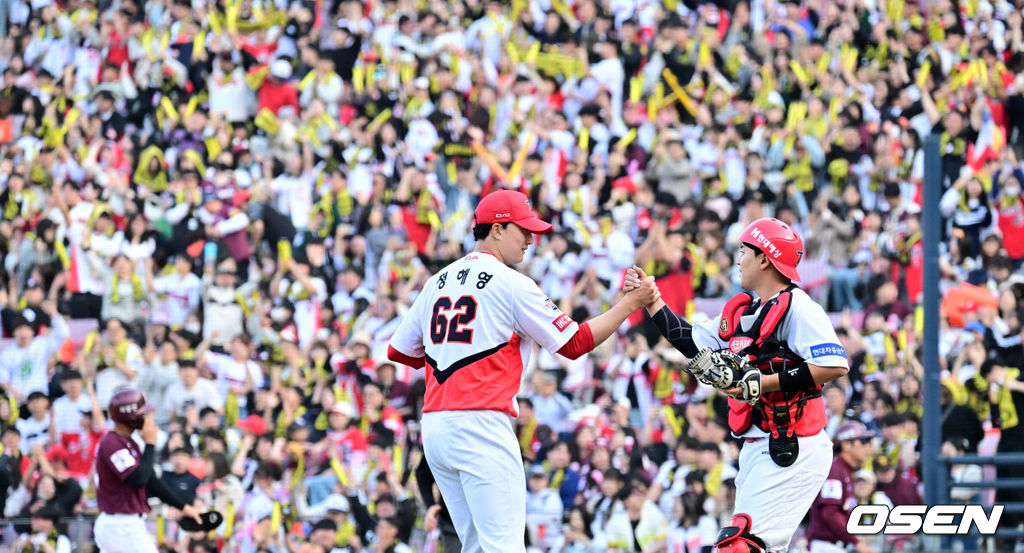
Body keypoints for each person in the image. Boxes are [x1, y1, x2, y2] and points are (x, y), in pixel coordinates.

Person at [387, 189, 658, 553]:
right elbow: (575, 343)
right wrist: (630, 304)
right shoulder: (512, 283)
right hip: (481, 425)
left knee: (474, 547)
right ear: (497, 230)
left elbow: (400, 350)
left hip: (436, 428)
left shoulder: (437, 281)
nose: (531, 239)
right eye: (524, 229)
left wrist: (453, 354)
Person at [626, 218, 850, 553]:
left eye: (743, 250)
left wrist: (764, 382)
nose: (737, 259)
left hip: (792, 443)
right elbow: (691, 341)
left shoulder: (799, 306)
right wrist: (653, 301)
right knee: (754, 546)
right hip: (758, 444)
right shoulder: (745, 309)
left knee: (739, 546)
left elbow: (834, 365)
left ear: (765, 258)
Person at [93, 388, 202, 553]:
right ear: (130, 418)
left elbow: (151, 481)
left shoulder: (129, 442)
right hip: (120, 525)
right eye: (142, 414)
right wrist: (151, 444)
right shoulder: (112, 443)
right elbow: (138, 480)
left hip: (124, 524)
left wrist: (184, 507)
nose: (147, 418)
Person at [804, 422, 877, 553]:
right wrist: (857, 542)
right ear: (846, 444)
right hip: (826, 546)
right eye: (864, 441)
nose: (868, 447)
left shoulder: (845, 470)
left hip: (834, 546)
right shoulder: (835, 470)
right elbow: (830, 513)